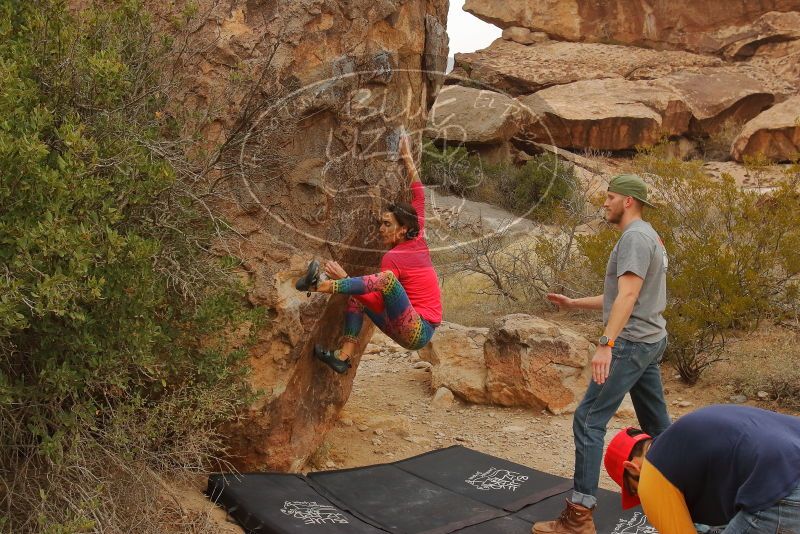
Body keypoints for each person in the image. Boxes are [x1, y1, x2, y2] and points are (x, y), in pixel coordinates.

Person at [533, 174, 671, 534]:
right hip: (650, 340)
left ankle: (579, 515)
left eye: (610, 197)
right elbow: (623, 296)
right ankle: (688, 499)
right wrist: (573, 303)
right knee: (660, 430)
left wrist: (605, 344)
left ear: (628, 201)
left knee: (588, 420)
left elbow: (627, 298)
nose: (604, 203)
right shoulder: (648, 235)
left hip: (630, 344)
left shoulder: (634, 239)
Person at [294, 134, 441, 374]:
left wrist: (343, 278)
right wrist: (406, 157)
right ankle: (344, 355)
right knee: (358, 293)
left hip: (419, 329)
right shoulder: (415, 239)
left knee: (383, 281)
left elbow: (420, 196)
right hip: (401, 325)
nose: (381, 229)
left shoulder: (394, 258)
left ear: (403, 229)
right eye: (380, 223)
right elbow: (419, 194)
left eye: (386, 224)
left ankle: (319, 285)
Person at [605, 404, 800, 534]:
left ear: (632, 468)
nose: (641, 499)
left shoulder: (652, 472)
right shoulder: (683, 443)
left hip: (780, 489)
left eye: (633, 490)